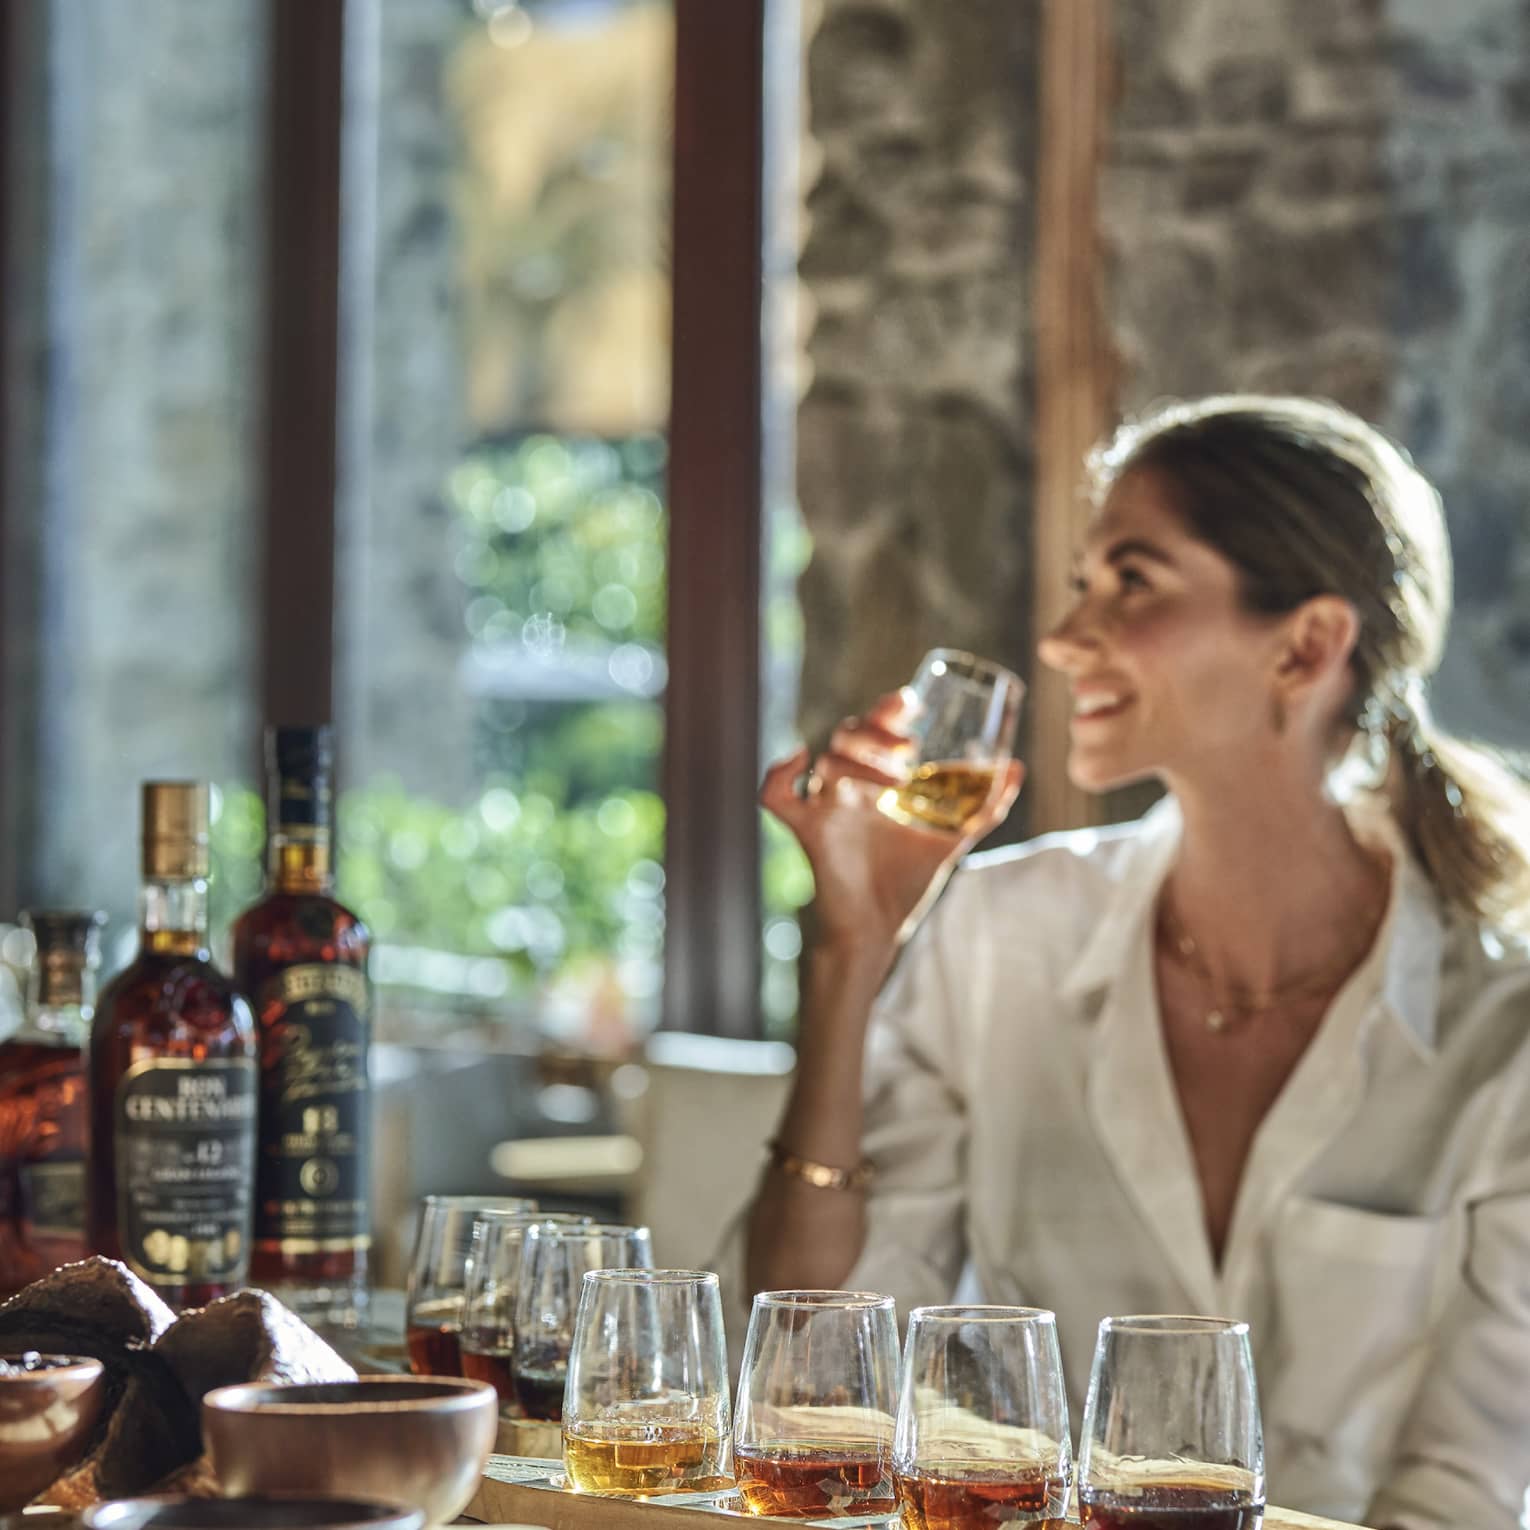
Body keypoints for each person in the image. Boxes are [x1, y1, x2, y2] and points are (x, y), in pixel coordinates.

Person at [740, 395, 1530, 1530]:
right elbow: (815, 1378)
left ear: (1304, 645)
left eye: (1134, 582)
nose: (1064, 638)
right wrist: (853, 949)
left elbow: (1463, 1495)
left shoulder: (1505, 1034)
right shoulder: (999, 931)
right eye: (1083, 582)